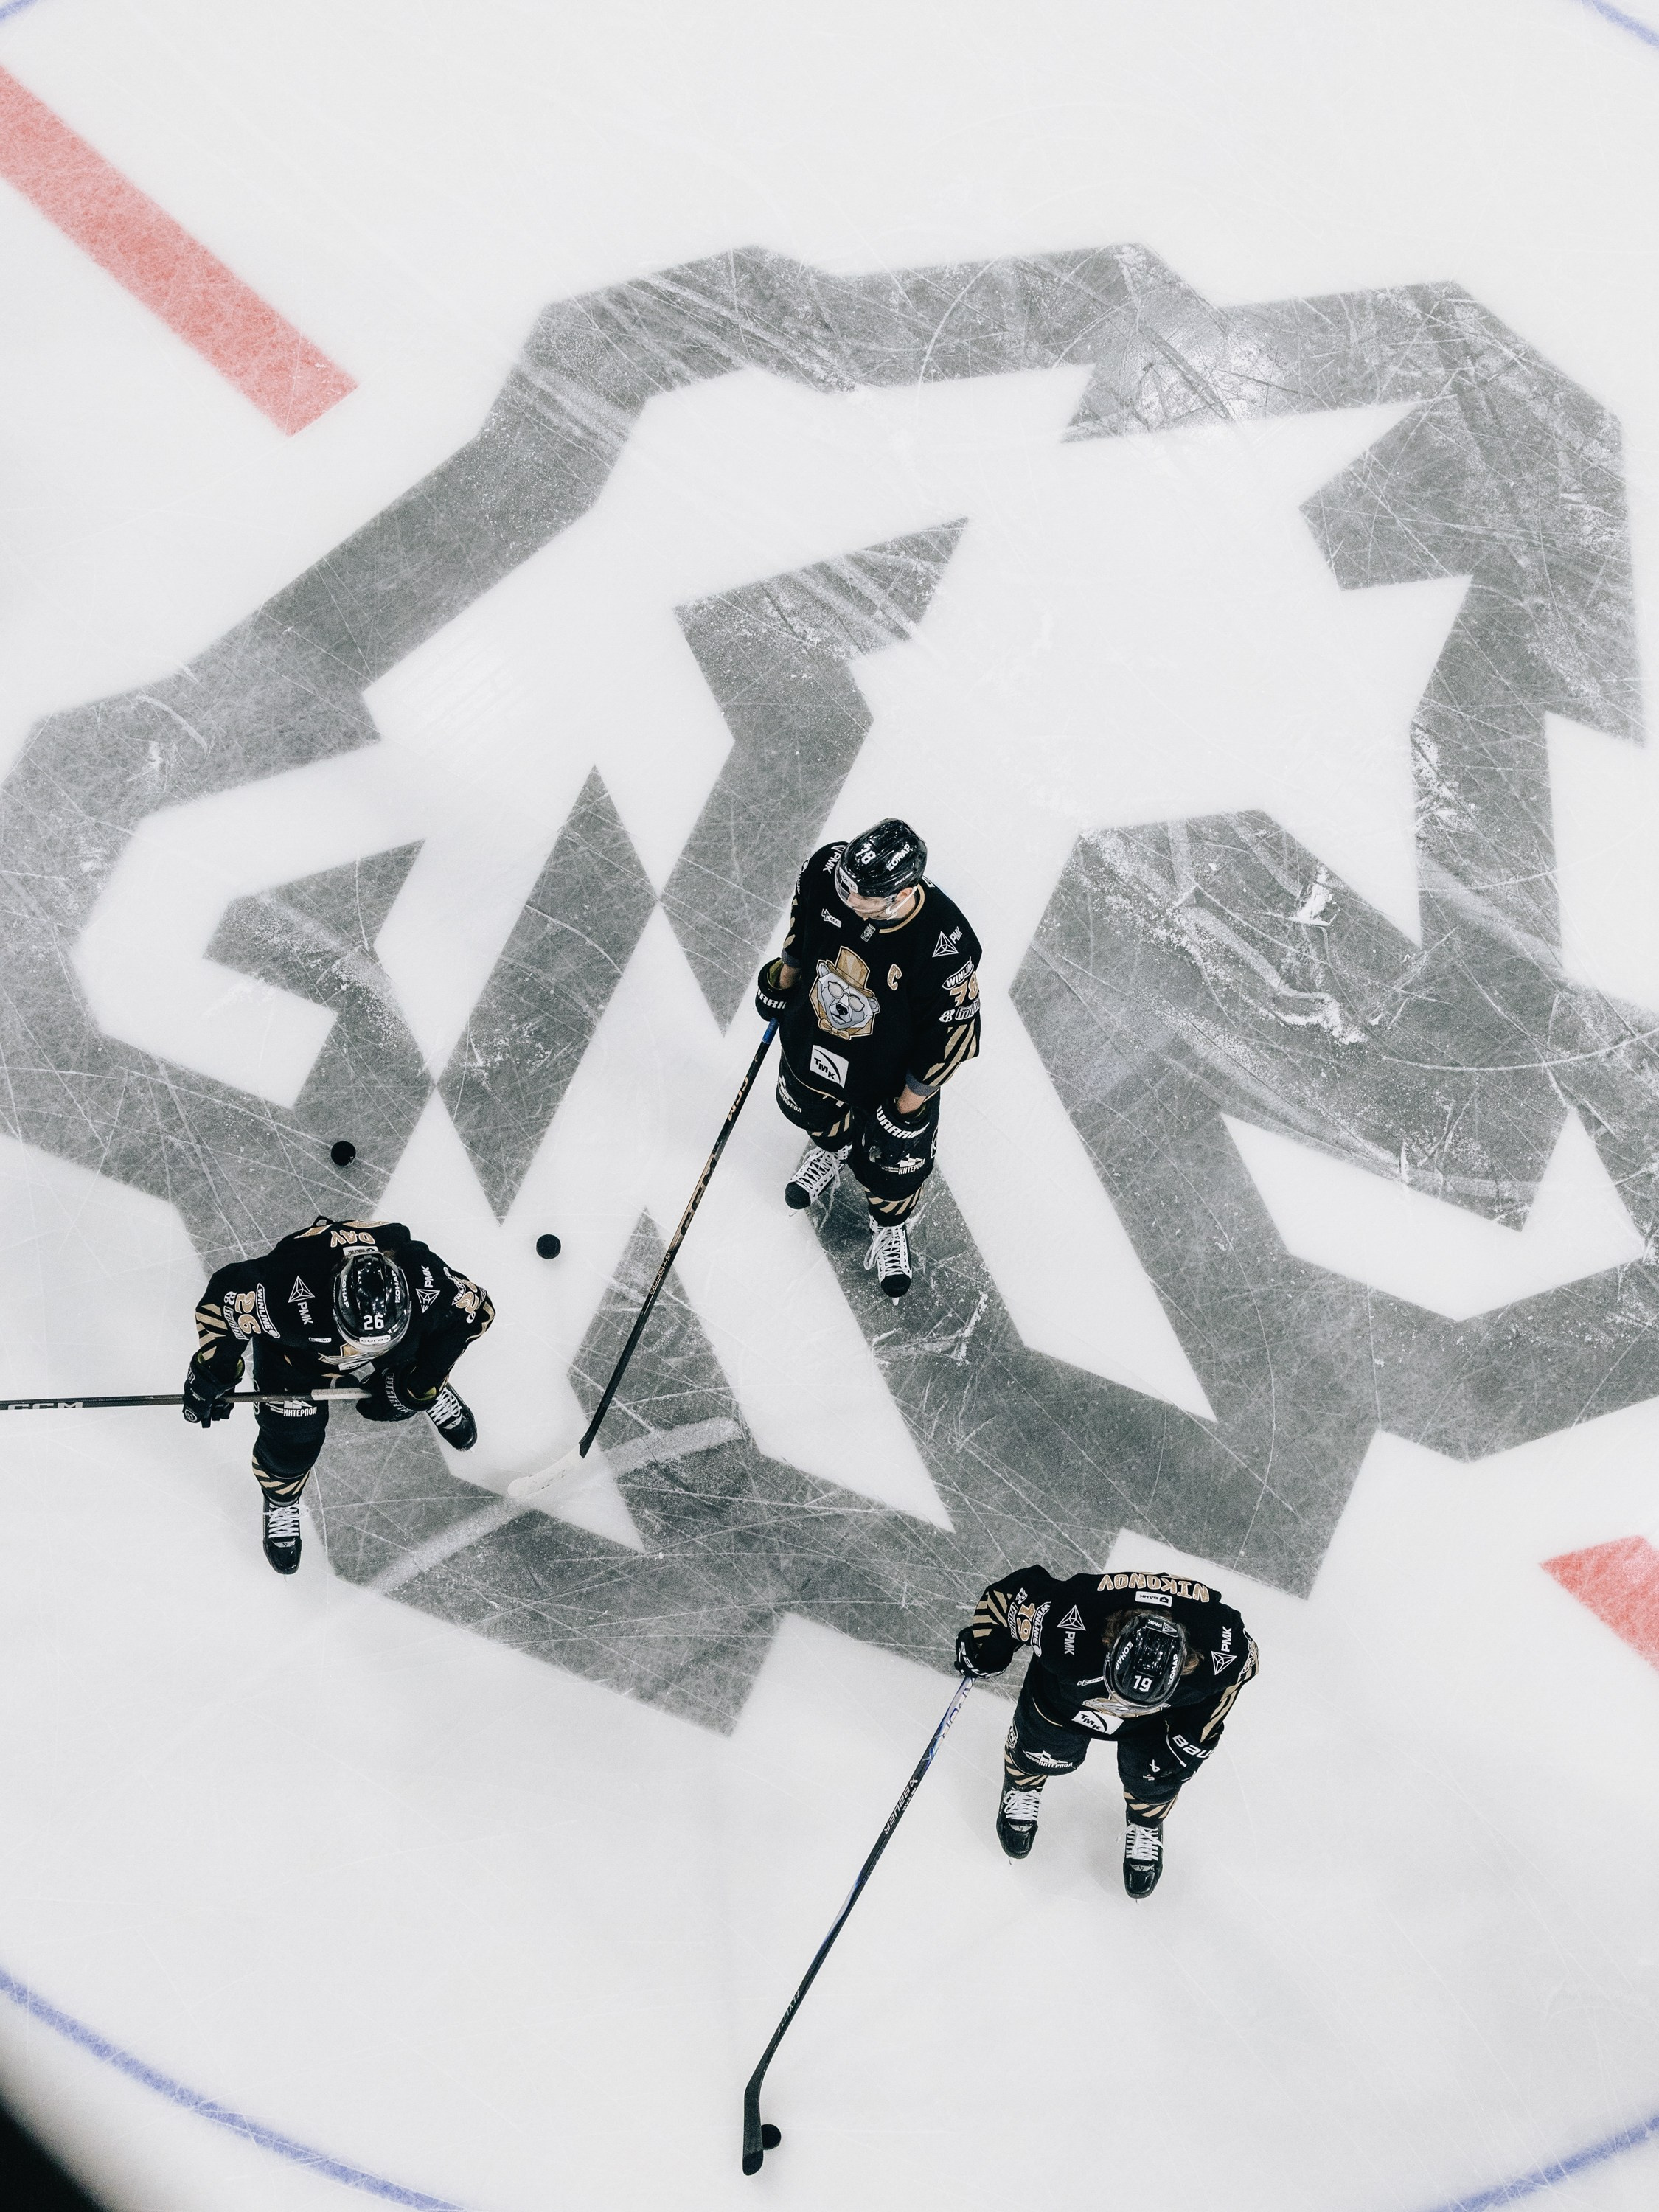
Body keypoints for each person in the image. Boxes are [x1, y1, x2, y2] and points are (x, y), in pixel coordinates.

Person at [181, 1217, 494, 1575]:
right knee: (291, 1441)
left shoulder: (429, 1282)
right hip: (296, 1358)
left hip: (396, 1343)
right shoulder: (281, 1293)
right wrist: (214, 1372)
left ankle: (420, 1380)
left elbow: (477, 1313)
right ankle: (281, 1496)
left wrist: (419, 1385)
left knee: (421, 1348)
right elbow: (223, 1299)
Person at [754, 819, 981, 1298]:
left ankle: (890, 1222)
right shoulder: (825, 870)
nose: (847, 895)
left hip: (887, 1074)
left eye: (861, 894)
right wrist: (781, 982)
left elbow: (951, 1037)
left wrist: (906, 1107)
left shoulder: (946, 944)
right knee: (812, 1111)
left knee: (894, 1165)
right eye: (844, 883)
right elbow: (801, 931)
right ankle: (833, 1148)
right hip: (814, 1037)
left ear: (902, 894)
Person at [954, 1563, 1258, 1896]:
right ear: (1108, 1641)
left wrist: (1196, 1735)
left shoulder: (1224, 1652)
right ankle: (1023, 1783)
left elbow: (1243, 1672)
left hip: (1156, 1721)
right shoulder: (1063, 1619)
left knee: (1159, 1774)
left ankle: (1146, 1820)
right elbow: (1006, 1598)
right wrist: (987, 1648)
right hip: (1069, 1699)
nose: (1119, 1706)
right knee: (1041, 1746)